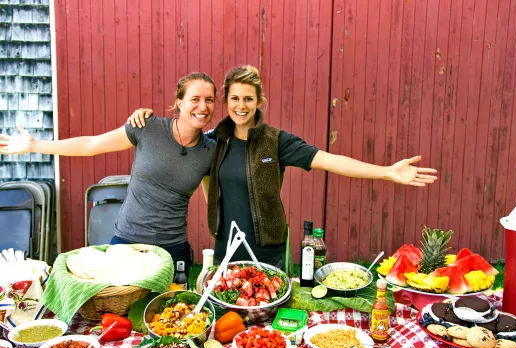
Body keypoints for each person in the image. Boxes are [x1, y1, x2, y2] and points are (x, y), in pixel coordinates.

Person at [127, 65, 438, 270]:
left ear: (259, 101)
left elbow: (329, 160)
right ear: (226, 101)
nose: (241, 105)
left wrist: (386, 171)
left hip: (267, 251)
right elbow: (205, 175)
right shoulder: (215, 141)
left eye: (248, 98)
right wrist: (144, 118)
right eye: (234, 98)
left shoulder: (277, 142)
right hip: (225, 250)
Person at [0, 72, 218, 278]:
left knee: (168, 314)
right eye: (195, 99)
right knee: (116, 311)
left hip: (172, 251)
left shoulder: (210, 152)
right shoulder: (147, 127)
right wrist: (36, 145)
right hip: (127, 245)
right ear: (179, 102)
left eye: (209, 100)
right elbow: (91, 144)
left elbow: (213, 206)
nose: (203, 106)